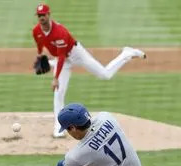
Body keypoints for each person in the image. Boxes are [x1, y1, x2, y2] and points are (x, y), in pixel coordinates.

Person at [32, 3, 146, 138]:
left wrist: (56, 78)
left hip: (75, 53)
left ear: (48, 15)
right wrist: (39, 55)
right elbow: (40, 44)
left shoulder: (59, 32)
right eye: (39, 16)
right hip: (62, 60)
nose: (41, 18)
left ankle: (126, 54)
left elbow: (62, 56)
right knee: (58, 92)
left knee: (105, 74)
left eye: (43, 15)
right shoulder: (36, 31)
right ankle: (58, 127)